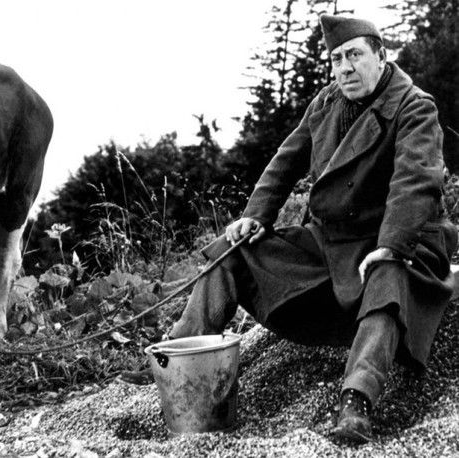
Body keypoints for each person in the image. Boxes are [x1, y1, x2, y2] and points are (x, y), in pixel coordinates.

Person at [124, 14, 457, 443]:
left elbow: (414, 183)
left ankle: (357, 400)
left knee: (386, 275)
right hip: (332, 241)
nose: (344, 68)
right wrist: (254, 216)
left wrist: (391, 245)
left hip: (403, 239)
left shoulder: (414, 105)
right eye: (336, 59)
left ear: (380, 55)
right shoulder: (325, 103)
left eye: (354, 55)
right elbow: (284, 163)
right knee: (232, 249)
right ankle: (179, 352)